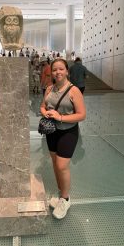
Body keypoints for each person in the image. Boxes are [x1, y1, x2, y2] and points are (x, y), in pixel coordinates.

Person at [40, 58, 86, 219]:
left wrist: (60, 117)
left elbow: (82, 115)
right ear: (51, 72)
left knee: (62, 165)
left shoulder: (74, 91)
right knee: (54, 162)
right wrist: (45, 112)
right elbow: (43, 105)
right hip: (52, 131)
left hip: (68, 131)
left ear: (67, 71)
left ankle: (66, 199)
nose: (57, 72)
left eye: (61, 69)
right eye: (54, 70)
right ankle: (61, 195)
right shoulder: (49, 89)